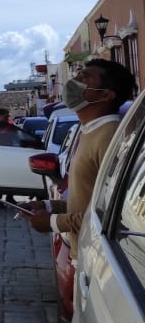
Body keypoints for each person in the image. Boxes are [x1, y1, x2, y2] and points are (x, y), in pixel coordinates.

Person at [20, 59, 136, 247]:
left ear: (106, 94)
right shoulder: (87, 131)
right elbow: (90, 203)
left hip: (99, 262)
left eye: (85, 77)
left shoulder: (110, 137)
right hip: (85, 256)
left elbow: (115, 216)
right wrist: (48, 207)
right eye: (78, 74)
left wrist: (52, 223)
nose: (75, 80)